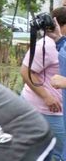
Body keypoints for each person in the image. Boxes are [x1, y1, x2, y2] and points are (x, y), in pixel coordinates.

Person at [20, 24, 65, 160]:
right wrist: (47, 97)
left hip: (57, 111)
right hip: (47, 110)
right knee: (58, 151)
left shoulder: (60, 44)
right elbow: (26, 72)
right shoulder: (45, 45)